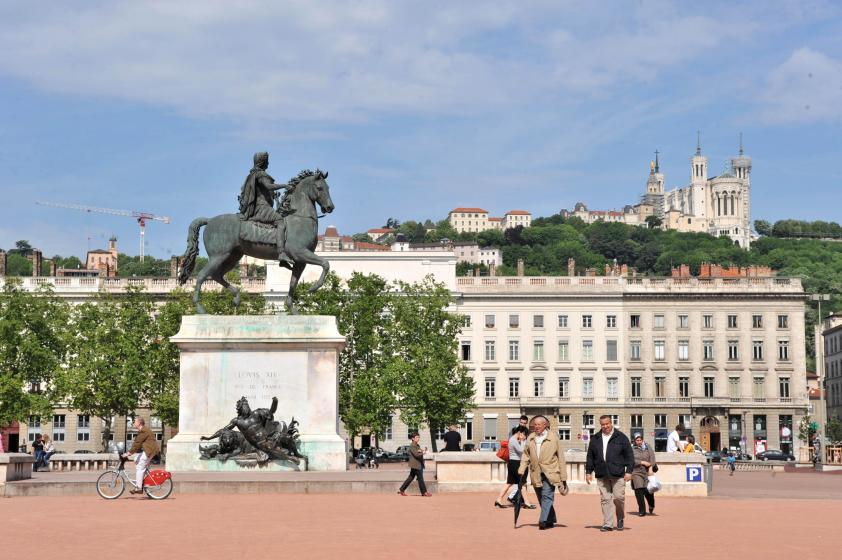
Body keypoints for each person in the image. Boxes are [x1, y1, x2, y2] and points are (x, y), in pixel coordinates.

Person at [237, 151, 295, 269]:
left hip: (262, 206)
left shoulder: (253, 174)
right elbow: (268, 186)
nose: (268, 163)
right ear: (263, 162)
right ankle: (281, 253)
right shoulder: (260, 174)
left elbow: (265, 190)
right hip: (261, 208)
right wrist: (284, 185)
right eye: (267, 160)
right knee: (280, 221)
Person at [585, 415, 635, 532]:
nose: (605, 426)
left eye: (607, 424)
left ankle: (620, 517)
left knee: (618, 498)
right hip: (602, 474)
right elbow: (590, 457)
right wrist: (588, 472)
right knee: (605, 499)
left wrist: (629, 471)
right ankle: (608, 523)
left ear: (611, 423)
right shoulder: (595, 438)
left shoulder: (621, 437)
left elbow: (630, 456)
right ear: (600, 425)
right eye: (603, 425)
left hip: (618, 474)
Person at [518, 415, 568, 530]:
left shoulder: (553, 438)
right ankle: (551, 518)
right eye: (535, 425)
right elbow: (526, 455)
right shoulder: (531, 437)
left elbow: (561, 457)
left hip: (550, 471)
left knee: (547, 496)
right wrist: (521, 470)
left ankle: (543, 520)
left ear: (545, 425)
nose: (536, 427)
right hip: (536, 472)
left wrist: (563, 476)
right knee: (541, 497)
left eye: (539, 424)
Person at [495, 426, 536, 509]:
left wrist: (521, 440)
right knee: (522, 483)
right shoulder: (513, 440)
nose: (525, 436)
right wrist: (523, 441)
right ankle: (527, 503)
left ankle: (498, 500)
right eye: (524, 434)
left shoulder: (513, 439)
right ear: (519, 433)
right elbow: (522, 450)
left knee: (509, 483)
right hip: (517, 463)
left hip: (513, 463)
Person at [122, 417, 159, 495]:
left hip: (150, 451)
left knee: (140, 466)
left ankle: (138, 487)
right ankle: (143, 478)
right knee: (136, 459)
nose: (133, 423)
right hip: (148, 450)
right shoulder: (142, 430)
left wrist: (129, 453)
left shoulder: (143, 431)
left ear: (139, 423)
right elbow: (137, 443)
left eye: (134, 421)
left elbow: (137, 444)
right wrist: (130, 452)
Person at [631, 433, 656, 516]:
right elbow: (630, 460)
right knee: (638, 490)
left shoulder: (648, 447)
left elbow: (652, 457)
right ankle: (642, 510)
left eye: (640, 440)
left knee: (648, 491)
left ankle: (651, 504)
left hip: (647, 472)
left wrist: (651, 467)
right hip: (636, 471)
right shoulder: (631, 449)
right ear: (634, 440)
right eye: (637, 440)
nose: (639, 442)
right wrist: (641, 462)